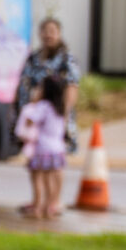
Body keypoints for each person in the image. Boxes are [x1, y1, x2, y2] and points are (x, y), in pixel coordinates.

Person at [17, 71, 71, 218]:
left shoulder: (43, 106)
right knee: (51, 180)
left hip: (43, 148)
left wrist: (34, 102)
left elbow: (30, 120)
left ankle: (38, 207)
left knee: (38, 179)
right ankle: (50, 206)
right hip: (58, 148)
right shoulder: (61, 107)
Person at [18, 17, 81, 142]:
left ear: (59, 33)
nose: (48, 35)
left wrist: (64, 117)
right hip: (34, 118)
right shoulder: (33, 58)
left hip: (56, 118)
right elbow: (23, 84)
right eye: (45, 31)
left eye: (52, 31)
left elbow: (72, 88)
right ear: (40, 34)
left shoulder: (66, 59)